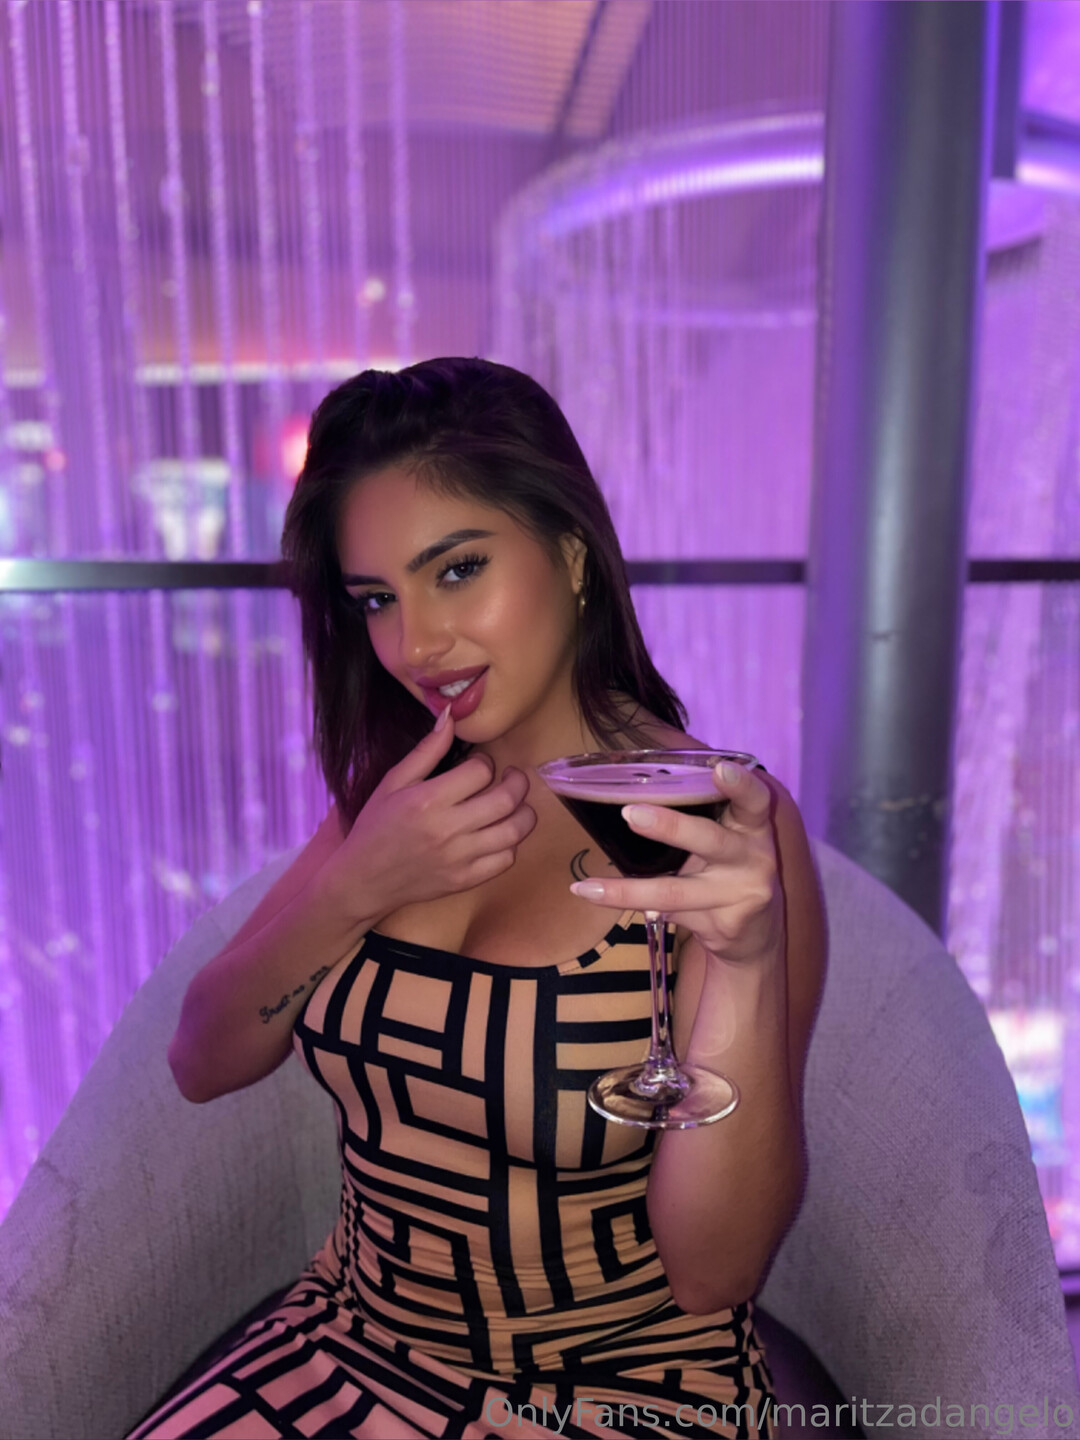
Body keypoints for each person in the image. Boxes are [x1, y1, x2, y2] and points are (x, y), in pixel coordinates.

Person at [129, 357, 826, 1440]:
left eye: (456, 570)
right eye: (376, 600)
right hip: (347, 1341)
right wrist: (356, 885)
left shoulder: (714, 824)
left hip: (622, 1387)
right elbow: (200, 1059)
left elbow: (714, 1272)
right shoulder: (398, 795)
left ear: (572, 553)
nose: (415, 645)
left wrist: (744, 963)